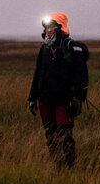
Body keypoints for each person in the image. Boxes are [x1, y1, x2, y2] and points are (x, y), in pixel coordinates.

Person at [28, 12, 88, 168]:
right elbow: (38, 72)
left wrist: (76, 99)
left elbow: (81, 77)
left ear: (60, 28)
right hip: (45, 100)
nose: (49, 30)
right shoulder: (44, 49)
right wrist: (32, 97)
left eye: (52, 27)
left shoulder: (71, 48)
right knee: (50, 135)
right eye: (47, 27)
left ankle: (70, 168)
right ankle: (56, 166)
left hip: (64, 101)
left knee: (65, 135)